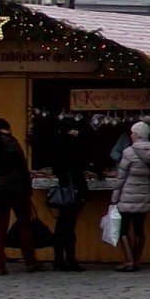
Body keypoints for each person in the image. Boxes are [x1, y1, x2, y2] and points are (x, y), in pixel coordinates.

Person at [0, 117, 40, 274]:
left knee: (0, 227)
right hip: (17, 189)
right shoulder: (13, 144)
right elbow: (22, 167)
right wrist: (28, 189)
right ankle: (30, 261)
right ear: (6, 129)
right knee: (24, 224)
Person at [111, 120, 150, 272]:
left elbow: (121, 177)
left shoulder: (128, 152)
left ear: (138, 134)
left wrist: (115, 198)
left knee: (123, 229)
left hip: (128, 195)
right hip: (145, 194)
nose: (131, 135)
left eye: (133, 133)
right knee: (139, 228)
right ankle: (138, 260)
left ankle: (129, 261)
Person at [46, 116, 92, 272]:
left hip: (63, 188)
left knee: (61, 225)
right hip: (73, 190)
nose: (77, 131)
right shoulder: (73, 144)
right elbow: (79, 166)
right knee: (69, 226)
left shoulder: (55, 142)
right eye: (75, 128)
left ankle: (58, 259)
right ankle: (70, 259)